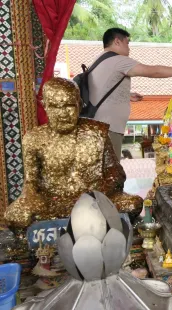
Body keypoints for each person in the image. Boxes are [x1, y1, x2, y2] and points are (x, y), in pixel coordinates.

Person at [4, 78, 141, 228]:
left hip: (94, 200)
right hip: (52, 203)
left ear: (79, 105)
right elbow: (31, 182)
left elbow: (115, 172)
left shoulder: (97, 133)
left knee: (132, 204)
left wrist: (95, 195)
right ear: (45, 106)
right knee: (15, 214)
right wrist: (31, 198)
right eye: (55, 106)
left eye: (69, 106)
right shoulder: (34, 139)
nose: (63, 113)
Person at [89, 28, 172, 160]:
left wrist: (126, 95)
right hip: (108, 127)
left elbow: (100, 89)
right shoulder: (118, 60)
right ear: (117, 41)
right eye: (127, 43)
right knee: (109, 173)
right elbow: (152, 71)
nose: (129, 48)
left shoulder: (99, 60)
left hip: (98, 126)